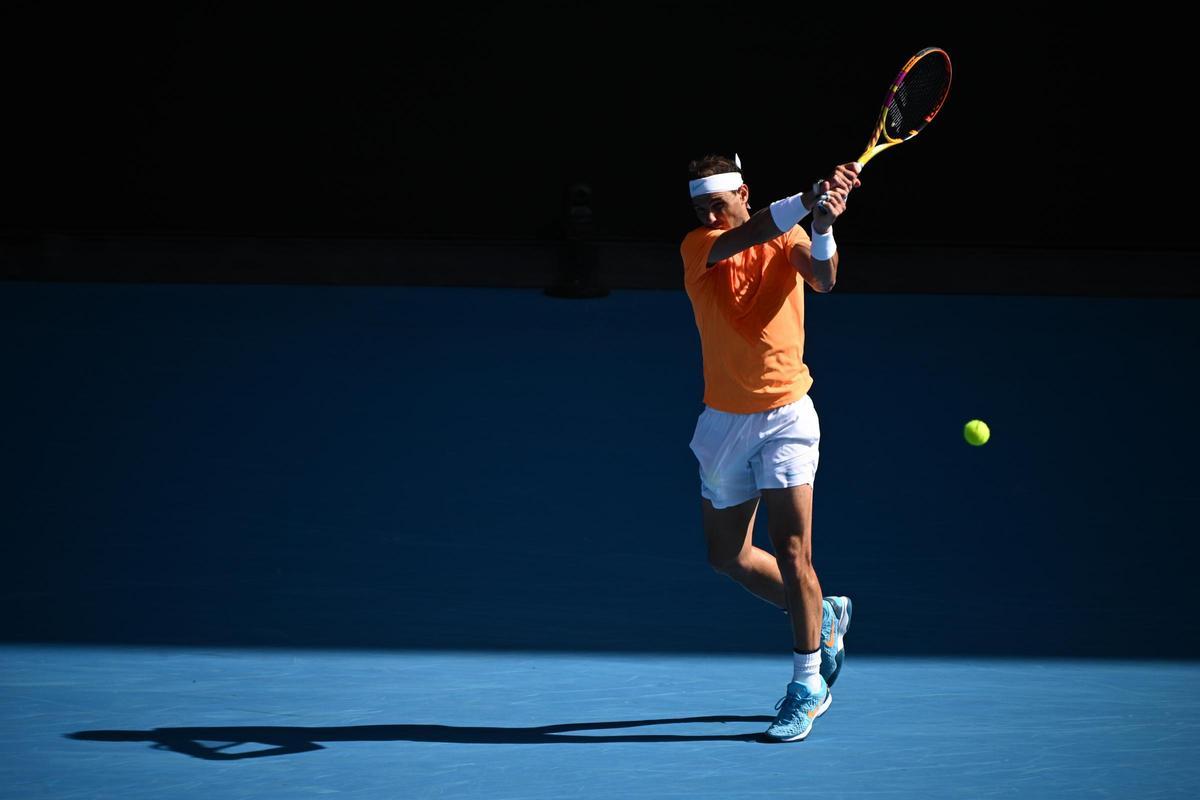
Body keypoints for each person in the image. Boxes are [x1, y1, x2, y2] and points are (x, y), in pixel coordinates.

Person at [680, 154, 859, 742]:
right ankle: (823, 615)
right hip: (723, 422)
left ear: (743, 192)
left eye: (719, 202)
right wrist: (810, 198)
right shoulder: (700, 246)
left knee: (791, 550)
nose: (710, 214)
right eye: (701, 206)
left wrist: (826, 223)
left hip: (787, 415)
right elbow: (757, 230)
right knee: (726, 556)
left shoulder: (792, 234)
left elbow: (826, 280)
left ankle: (807, 684)